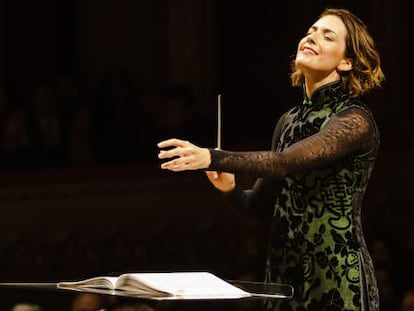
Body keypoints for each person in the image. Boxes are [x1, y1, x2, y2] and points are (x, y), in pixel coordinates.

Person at [157, 7, 385, 311]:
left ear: (346, 62)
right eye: (311, 31)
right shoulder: (288, 121)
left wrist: (212, 156)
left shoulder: (355, 120)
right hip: (284, 277)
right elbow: (257, 208)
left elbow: (284, 162)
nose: (312, 37)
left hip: (336, 279)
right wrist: (228, 189)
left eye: (327, 36)